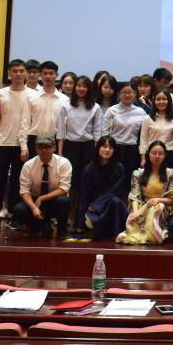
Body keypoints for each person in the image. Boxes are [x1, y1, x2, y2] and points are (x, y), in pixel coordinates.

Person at [0, 58, 31, 230]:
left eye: (21, 71)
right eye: (15, 71)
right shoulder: (1, 93)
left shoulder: (33, 94)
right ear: (9, 73)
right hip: (3, 143)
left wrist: (25, 145)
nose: (18, 74)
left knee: (17, 182)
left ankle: (14, 215)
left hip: (23, 145)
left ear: (25, 73)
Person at [57, 74, 102, 231]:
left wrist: (97, 154)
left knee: (86, 183)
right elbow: (60, 132)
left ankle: (82, 218)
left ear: (89, 88)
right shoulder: (66, 106)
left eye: (85, 86)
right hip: (70, 147)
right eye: (79, 85)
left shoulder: (95, 107)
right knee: (71, 184)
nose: (81, 88)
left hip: (88, 147)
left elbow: (97, 133)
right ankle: (70, 216)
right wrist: (60, 154)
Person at [11, 131, 71, 237]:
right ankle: (37, 227)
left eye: (47, 147)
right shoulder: (28, 165)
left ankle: (62, 230)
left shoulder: (64, 163)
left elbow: (64, 189)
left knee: (64, 201)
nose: (44, 150)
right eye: (40, 147)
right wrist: (33, 207)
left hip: (54, 200)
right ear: (36, 148)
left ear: (54, 148)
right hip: (35, 201)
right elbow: (24, 191)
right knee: (18, 209)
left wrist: (42, 198)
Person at [117, 140, 173, 245]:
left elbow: (171, 199)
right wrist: (135, 212)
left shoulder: (172, 174)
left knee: (157, 208)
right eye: (154, 153)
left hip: (162, 208)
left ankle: (156, 231)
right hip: (144, 206)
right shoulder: (138, 174)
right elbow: (135, 196)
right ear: (148, 154)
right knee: (134, 220)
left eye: (160, 153)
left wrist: (158, 200)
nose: (157, 156)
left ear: (165, 156)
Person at [78, 135, 128, 240]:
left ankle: (114, 232)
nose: (107, 150)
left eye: (111, 147)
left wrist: (97, 205)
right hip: (92, 206)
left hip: (109, 204)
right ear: (98, 148)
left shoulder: (120, 168)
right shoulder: (89, 169)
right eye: (104, 146)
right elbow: (84, 194)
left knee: (115, 201)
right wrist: (80, 221)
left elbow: (116, 190)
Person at [27, 61, 70, 158]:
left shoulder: (65, 100)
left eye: (51, 73)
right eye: (45, 73)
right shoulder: (31, 97)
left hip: (55, 140)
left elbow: (66, 126)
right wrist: (23, 145)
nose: (48, 76)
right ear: (40, 75)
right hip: (34, 139)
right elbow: (25, 122)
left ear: (56, 75)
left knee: (54, 167)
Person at [104, 82, 146, 175]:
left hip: (133, 150)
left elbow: (144, 134)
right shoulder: (111, 110)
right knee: (114, 175)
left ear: (135, 94)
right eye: (124, 92)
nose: (127, 95)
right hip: (116, 148)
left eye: (130, 92)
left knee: (131, 176)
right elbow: (104, 132)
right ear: (118, 94)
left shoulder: (141, 112)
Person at [139, 88, 173, 169]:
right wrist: (143, 159)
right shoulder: (148, 118)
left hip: (170, 155)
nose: (161, 102)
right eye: (158, 99)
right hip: (152, 155)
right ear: (154, 101)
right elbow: (143, 140)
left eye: (164, 99)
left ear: (169, 101)